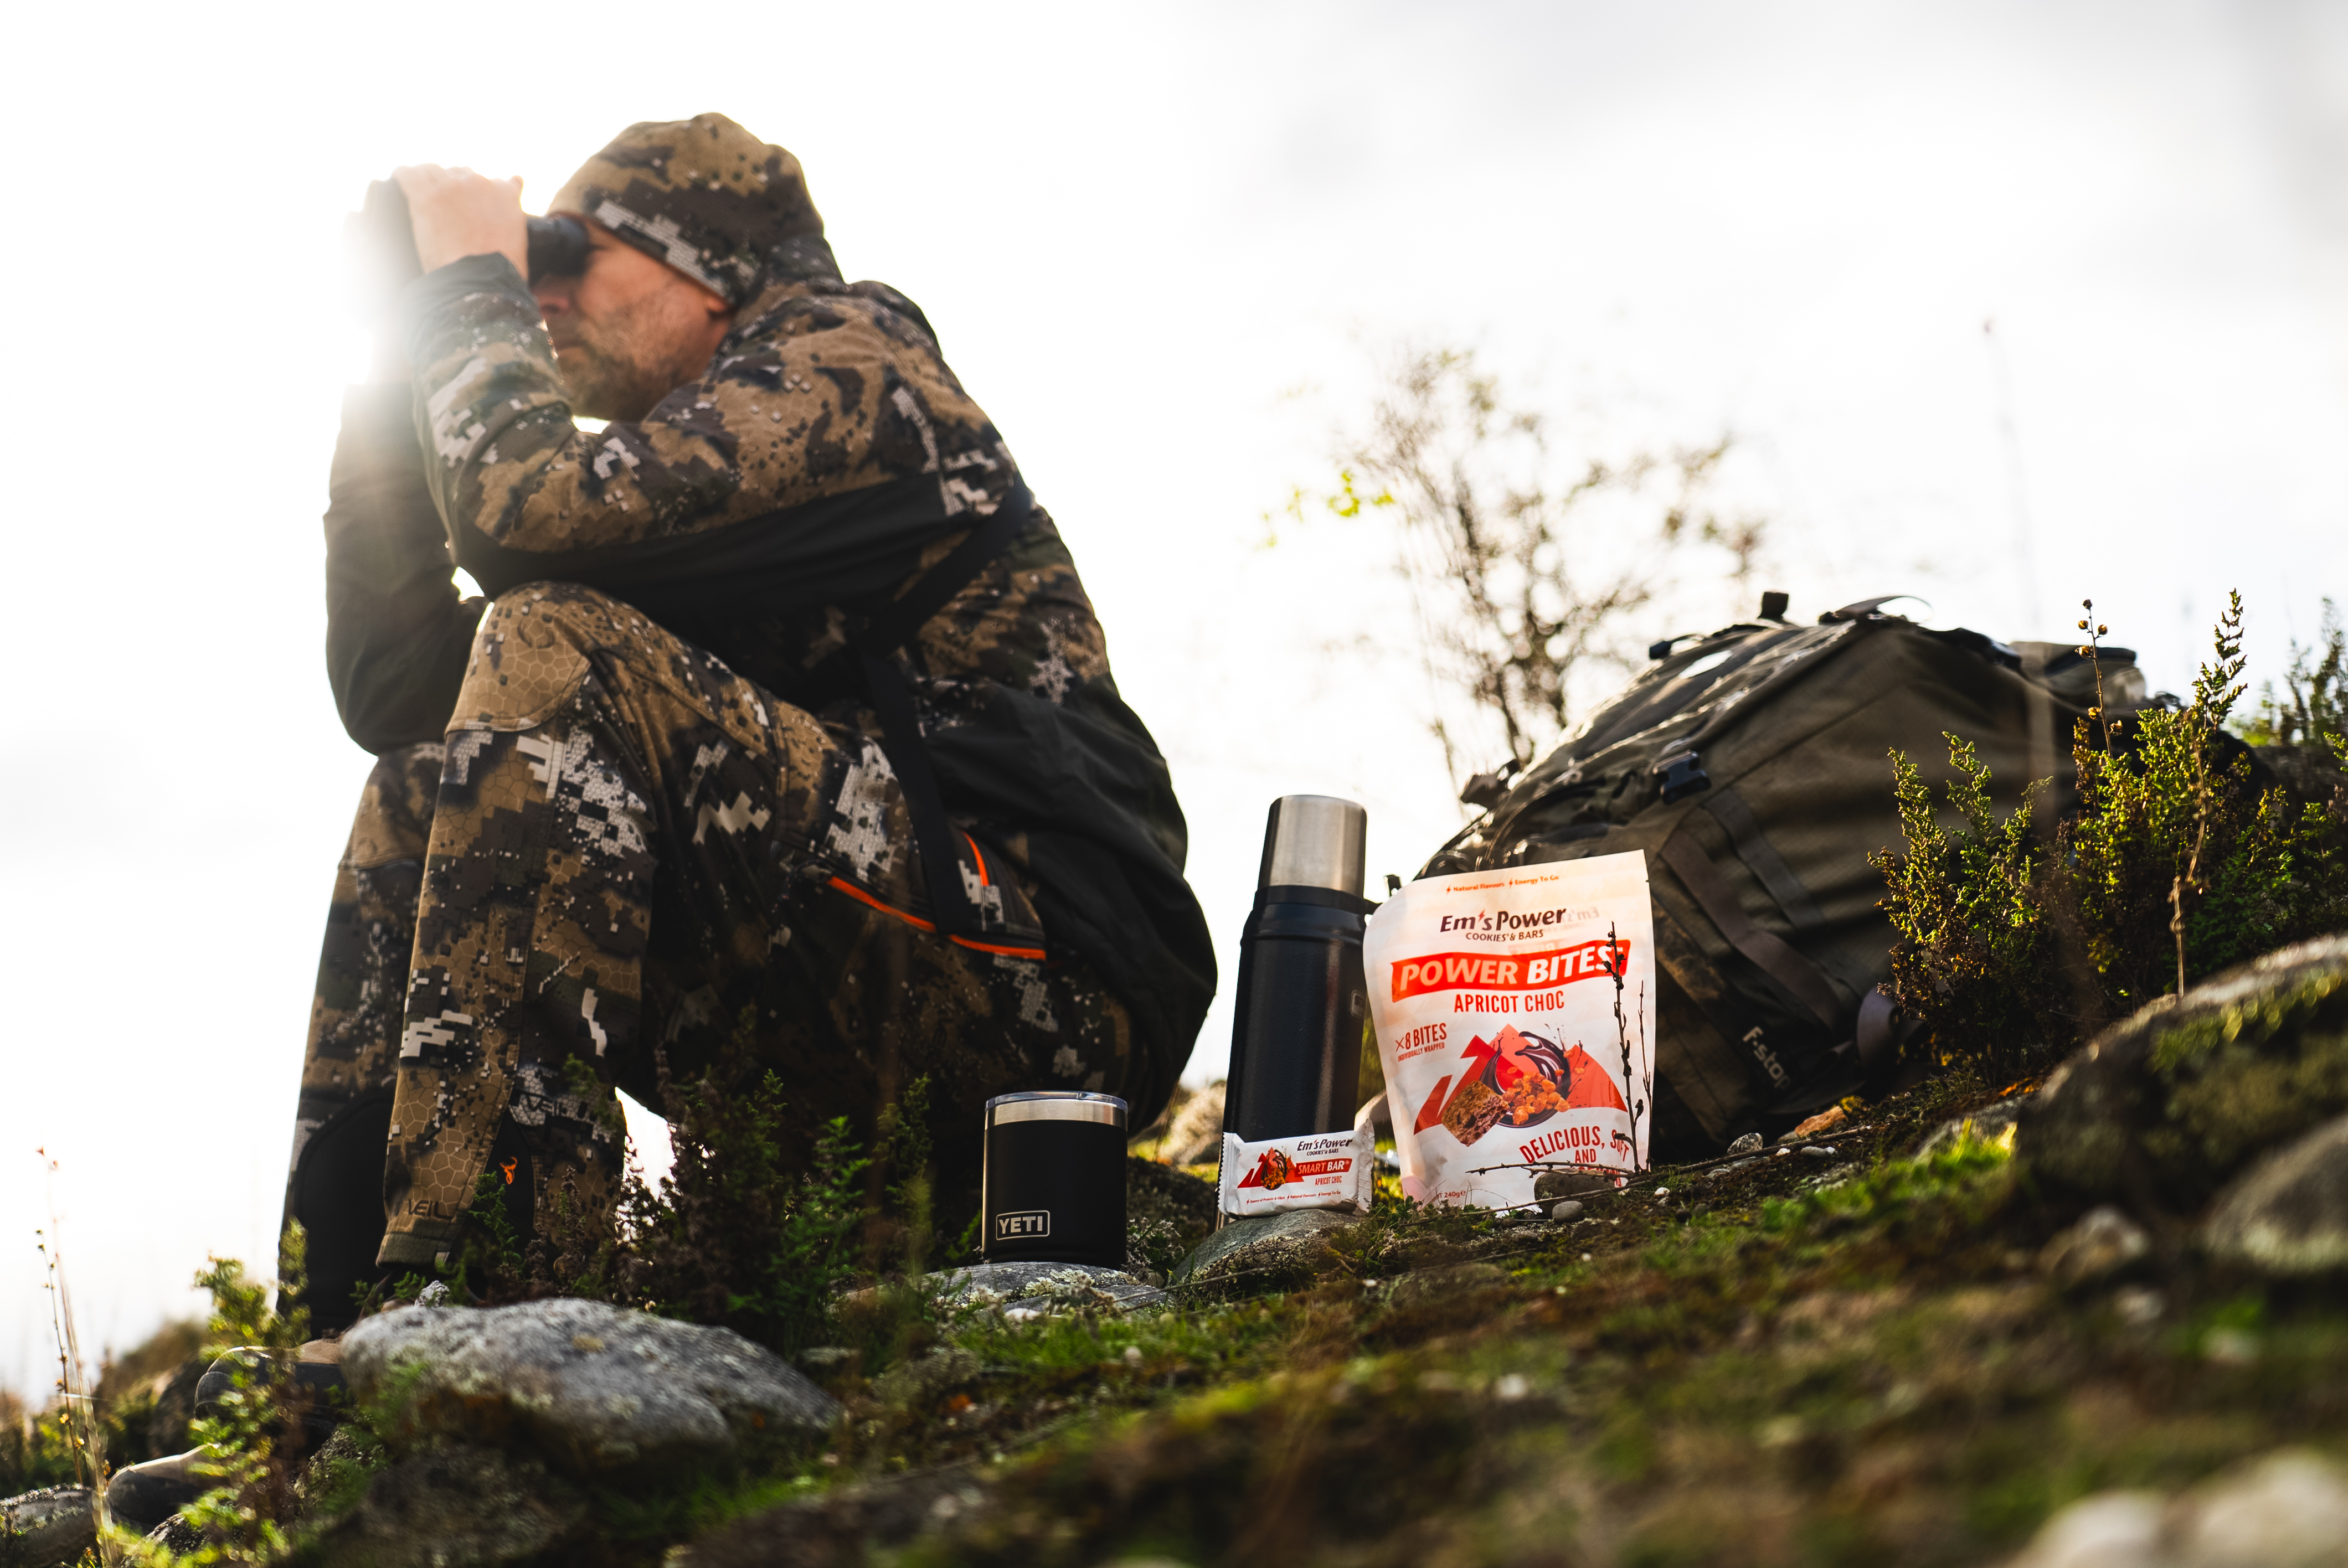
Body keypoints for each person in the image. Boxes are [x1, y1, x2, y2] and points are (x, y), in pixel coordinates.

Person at [284, 113, 1214, 1330]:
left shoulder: (856, 367)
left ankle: (505, 1304)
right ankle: (355, 1334)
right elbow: (399, 681)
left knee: (547, 635)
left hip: (1048, 992)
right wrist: (401, 344)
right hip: (864, 977)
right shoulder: (681, 493)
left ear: (710, 266)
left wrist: (471, 274)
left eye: (570, 258)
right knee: (423, 782)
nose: (543, 299)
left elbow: (521, 515)